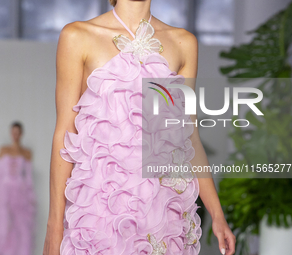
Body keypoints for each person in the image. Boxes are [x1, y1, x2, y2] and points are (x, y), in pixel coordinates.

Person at [43, 0, 236, 254]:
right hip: (102, 213)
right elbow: (64, 137)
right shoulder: (77, 36)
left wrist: (218, 215)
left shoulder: (184, 43)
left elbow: (189, 137)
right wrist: (54, 227)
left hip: (163, 212)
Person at [0, 122, 36, 255]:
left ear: (21, 134)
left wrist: (31, 196)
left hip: (20, 192)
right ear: (10, 133)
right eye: (13, 132)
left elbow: (28, 177)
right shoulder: (3, 150)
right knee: (2, 224)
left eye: (17, 133)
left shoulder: (26, 152)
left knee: (20, 226)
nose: (15, 135)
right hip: (4, 191)